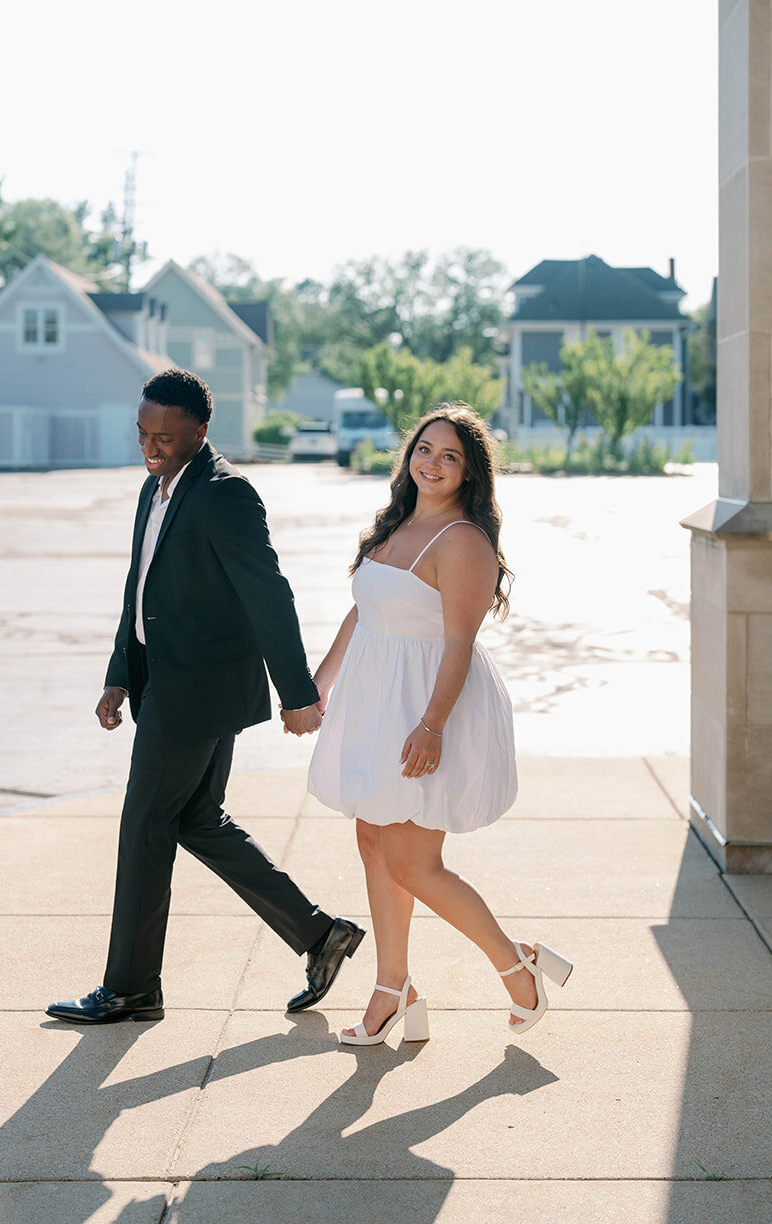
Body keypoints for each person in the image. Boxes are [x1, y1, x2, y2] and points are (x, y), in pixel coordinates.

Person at [47, 367, 363, 1025]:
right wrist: (118, 675)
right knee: (195, 820)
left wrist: (298, 691)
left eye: (165, 435)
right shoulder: (153, 491)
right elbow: (140, 592)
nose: (151, 446)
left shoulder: (225, 494)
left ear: (200, 429)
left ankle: (130, 988)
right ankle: (318, 935)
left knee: (143, 825)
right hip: (162, 679)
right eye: (143, 434)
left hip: (196, 688)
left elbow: (267, 592)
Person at [307, 404, 572, 1045]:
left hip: (428, 708)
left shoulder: (463, 542)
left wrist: (431, 726)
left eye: (449, 456)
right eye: (425, 449)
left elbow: (458, 644)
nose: (432, 463)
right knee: (374, 842)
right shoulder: (394, 526)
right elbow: (362, 614)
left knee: (414, 861)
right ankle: (392, 990)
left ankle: (518, 967)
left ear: (469, 473)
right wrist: (317, 687)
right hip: (377, 702)